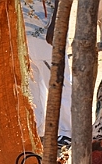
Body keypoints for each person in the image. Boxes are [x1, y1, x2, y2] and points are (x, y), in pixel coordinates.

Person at [21, 0, 73, 146]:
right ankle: (39, 130)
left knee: (59, 82)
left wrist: (56, 23)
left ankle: (67, 131)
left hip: (47, 30)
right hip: (25, 31)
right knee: (33, 85)